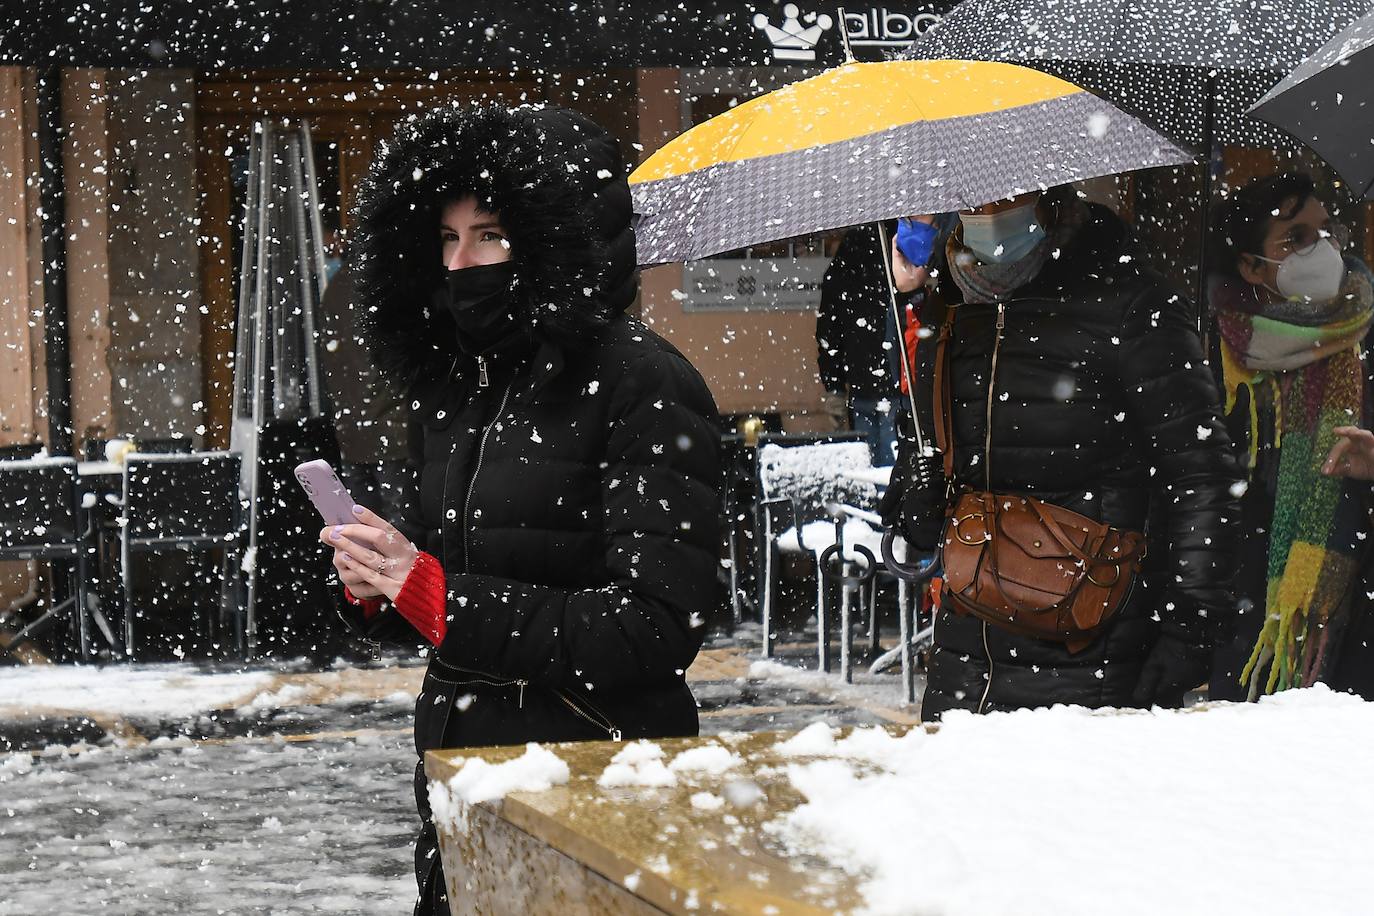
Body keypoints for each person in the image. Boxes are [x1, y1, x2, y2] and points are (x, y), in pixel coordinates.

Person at [320, 103, 724, 914]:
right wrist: (386, 584)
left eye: (491, 235)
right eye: (447, 239)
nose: (464, 263)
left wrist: (440, 597)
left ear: (554, 241)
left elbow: (657, 624)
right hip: (461, 778)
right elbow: (457, 574)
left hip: (599, 788)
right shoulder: (459, 384)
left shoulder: (645, 382)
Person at [881, 186, 1241, 720]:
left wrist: (1189, 625)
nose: (989, 213)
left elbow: (1200, 474)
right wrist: (916, 501)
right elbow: (922, 458)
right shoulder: (950, 308)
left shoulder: (1130, 303)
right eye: (974, 198)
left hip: (1097, 649)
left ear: (1047, 189)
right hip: (966, 654)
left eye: (1006, 194)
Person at [1207, 171, 1374, 700]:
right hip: (1242, 615)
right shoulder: (1219, 355)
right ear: (1252, 266)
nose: (1321, 248)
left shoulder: (1366, 331)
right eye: (1296, 238)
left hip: (1352, 622)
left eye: (1326, 230)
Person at [317, 248, 413, 522]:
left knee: (366, 533)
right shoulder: (387, 282)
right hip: (394, 433)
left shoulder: (335, 289)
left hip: (353, 433)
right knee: (402, 535)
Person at [816, 224, 901, 463]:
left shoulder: (842, 269)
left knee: (865, 466)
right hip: (895, 382)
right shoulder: (895, 256)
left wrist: (834, 387)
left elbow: (828, 336)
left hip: (860, 383)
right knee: (893, 465)